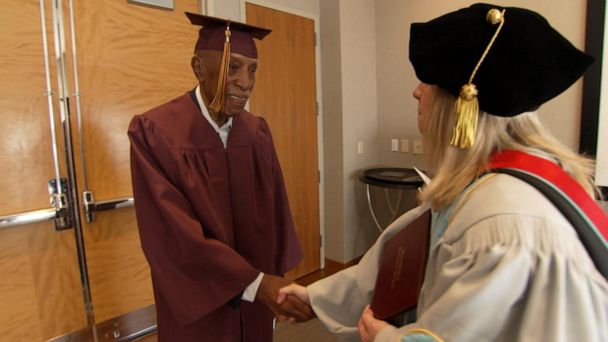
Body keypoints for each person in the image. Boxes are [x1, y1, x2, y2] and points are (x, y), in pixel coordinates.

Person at [278, 3, 608, 341]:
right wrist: (318, 297)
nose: (416, 91)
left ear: (462, 102)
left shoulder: (501, 219)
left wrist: (386, 338)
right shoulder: (481, 184)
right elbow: (400, 260)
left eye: (428, 82)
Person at [128, 12, 312, 341]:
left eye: (252, 69)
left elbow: (276, 214)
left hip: (258, 302)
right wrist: (255, 283)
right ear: (199, 68)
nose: (246, 82)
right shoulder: (157, 133)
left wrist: (274, 283)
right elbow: (173, 235)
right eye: (234, 67)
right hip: (200, 306)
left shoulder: (256, 133)